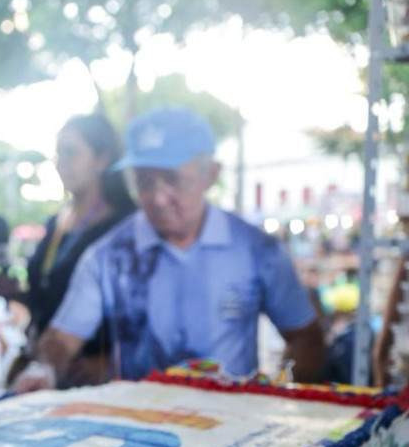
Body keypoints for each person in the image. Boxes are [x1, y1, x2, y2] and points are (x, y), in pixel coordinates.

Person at [16, 107, 325, 391]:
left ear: (211, 175)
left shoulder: (256, 250)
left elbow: (304, 337)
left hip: (231, 426)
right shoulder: (109, 256)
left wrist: (287, 399)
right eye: (145, 182)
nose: (158, 198)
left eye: (172, 180)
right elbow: (62, 338)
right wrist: (44, 368)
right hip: (140, 428)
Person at [23, 113, 135, 386]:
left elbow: (143, 310)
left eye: (71, 153)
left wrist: (112, 362)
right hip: (50, 369)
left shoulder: (126, 228)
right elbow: (44, 292)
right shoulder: (55, 223)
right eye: (58, 154)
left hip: (101, 383)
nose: (61, 164)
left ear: (102, 159)